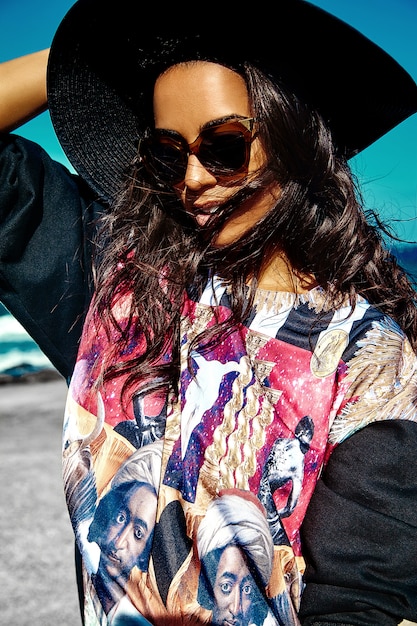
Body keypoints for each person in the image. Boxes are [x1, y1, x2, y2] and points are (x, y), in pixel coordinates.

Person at [1, 1, 417, 625]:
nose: (192, 178)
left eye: (224, 145)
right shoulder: (123, 295)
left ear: (296, 141)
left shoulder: (370, 363)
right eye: (169, 153)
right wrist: (85, 59)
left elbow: (362, 600)